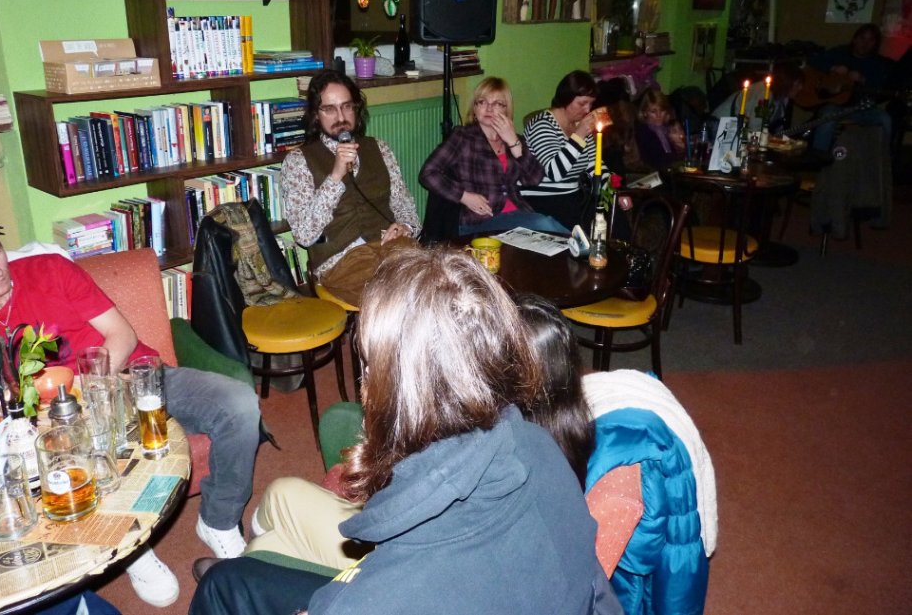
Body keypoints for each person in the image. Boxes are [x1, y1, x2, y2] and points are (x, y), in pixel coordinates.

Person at [190, 246, 622, 615]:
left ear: (389, 392)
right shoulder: (537, 445)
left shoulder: (366, 603)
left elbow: (397, 587)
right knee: (235, 574)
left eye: (369, 366)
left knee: (222, 586)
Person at [0, 207, 260, 608]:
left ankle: (218, 520)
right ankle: (129, 547)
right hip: (45, 420)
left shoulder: (50, 269)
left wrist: (92, 391)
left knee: (240, 405)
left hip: (131, 375)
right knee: (77, 456)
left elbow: (122, 333)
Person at [210, 293, 594, 574]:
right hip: (430, 552)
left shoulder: (490, 443)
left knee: (280, 495)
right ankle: (247, 568)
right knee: (270, 541)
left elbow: (408, 508)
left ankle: (242, 573)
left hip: (404, 562)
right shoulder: (563, 435)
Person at [279, 70, 420, 307]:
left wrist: (405, 227)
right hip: (341, 262)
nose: (341, 116)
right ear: (315, 115)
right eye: (330, 109)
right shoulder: (298, 161)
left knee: (438, 282)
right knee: (397, 297)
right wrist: (335, 176)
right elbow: (304, 235)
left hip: (392, 250)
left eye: (347, 106)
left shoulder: (379, 148)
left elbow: (405, 206)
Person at [419, 77, 568, 236]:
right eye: (482, 102)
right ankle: (581, 246)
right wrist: (464, 196)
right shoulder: (463, 137)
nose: (489, 108)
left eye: (497, 103)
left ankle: (580, 246)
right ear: (475, 108)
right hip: (479, 220)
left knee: (550, 228)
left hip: (517, 214)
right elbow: (428, 173)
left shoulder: (513, 139)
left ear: (506, 110)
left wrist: (513, 142)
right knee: (544, 225)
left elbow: (534, 179)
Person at [521, 70, 604, 230]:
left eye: (591, 104)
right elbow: (555, 172)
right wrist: (579, 136)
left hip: (571, 196)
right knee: (585, 227)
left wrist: (612, 190)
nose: (587, 110)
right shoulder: (541, 125)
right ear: (566, 98)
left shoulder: (579, 124)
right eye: (582, 103)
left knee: (609, 218)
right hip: (544, 199)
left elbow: (595, 165)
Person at [805, 24, 895, 152]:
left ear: (875, 44)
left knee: (885, 119)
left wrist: (862, 79)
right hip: (836, 106)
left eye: (870, 40)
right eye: (862, 38)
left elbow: (879, 89)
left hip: (862, 107)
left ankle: (883, 159)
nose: (865, 43)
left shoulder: (878, 64)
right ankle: (818, 156)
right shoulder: (841, 53)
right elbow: (814, 60)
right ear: (855, 39)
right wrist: (833, 68)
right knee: (827, 117)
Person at [712, 63, 805, 135]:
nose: (800, 88)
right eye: (797, 84)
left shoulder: (782, 99)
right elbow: (755, 129)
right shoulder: (763, 93)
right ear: (786, 83)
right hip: (721, 126)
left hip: (737, 129)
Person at [634, 89, 685, 170]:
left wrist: (682, 148)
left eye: (662, 110)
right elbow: (658, 161)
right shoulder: (643, 132)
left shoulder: (668, 127)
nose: (658, 115)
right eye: (653, 112)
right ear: (645, 112)